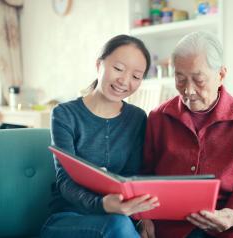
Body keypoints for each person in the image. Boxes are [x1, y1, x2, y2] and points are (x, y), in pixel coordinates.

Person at [141, 31, 233, 238]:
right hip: (172, 225)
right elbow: (144, 174)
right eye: (180, 79)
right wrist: (145, 216)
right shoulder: (158, 117)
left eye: (198, 80)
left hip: (229, 223)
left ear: (221, 75)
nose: (188, 90)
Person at [40, 35, 159, 238]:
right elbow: (65, 181)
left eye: (136, 76)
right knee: (118, 225)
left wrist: (141, 216)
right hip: (67, 218)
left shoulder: (137, 118)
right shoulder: (64, 114)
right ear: (99, 65)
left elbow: (132, 175)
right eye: (118, 69)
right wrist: (103, 204)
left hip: (118, 217)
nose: (124, 81)